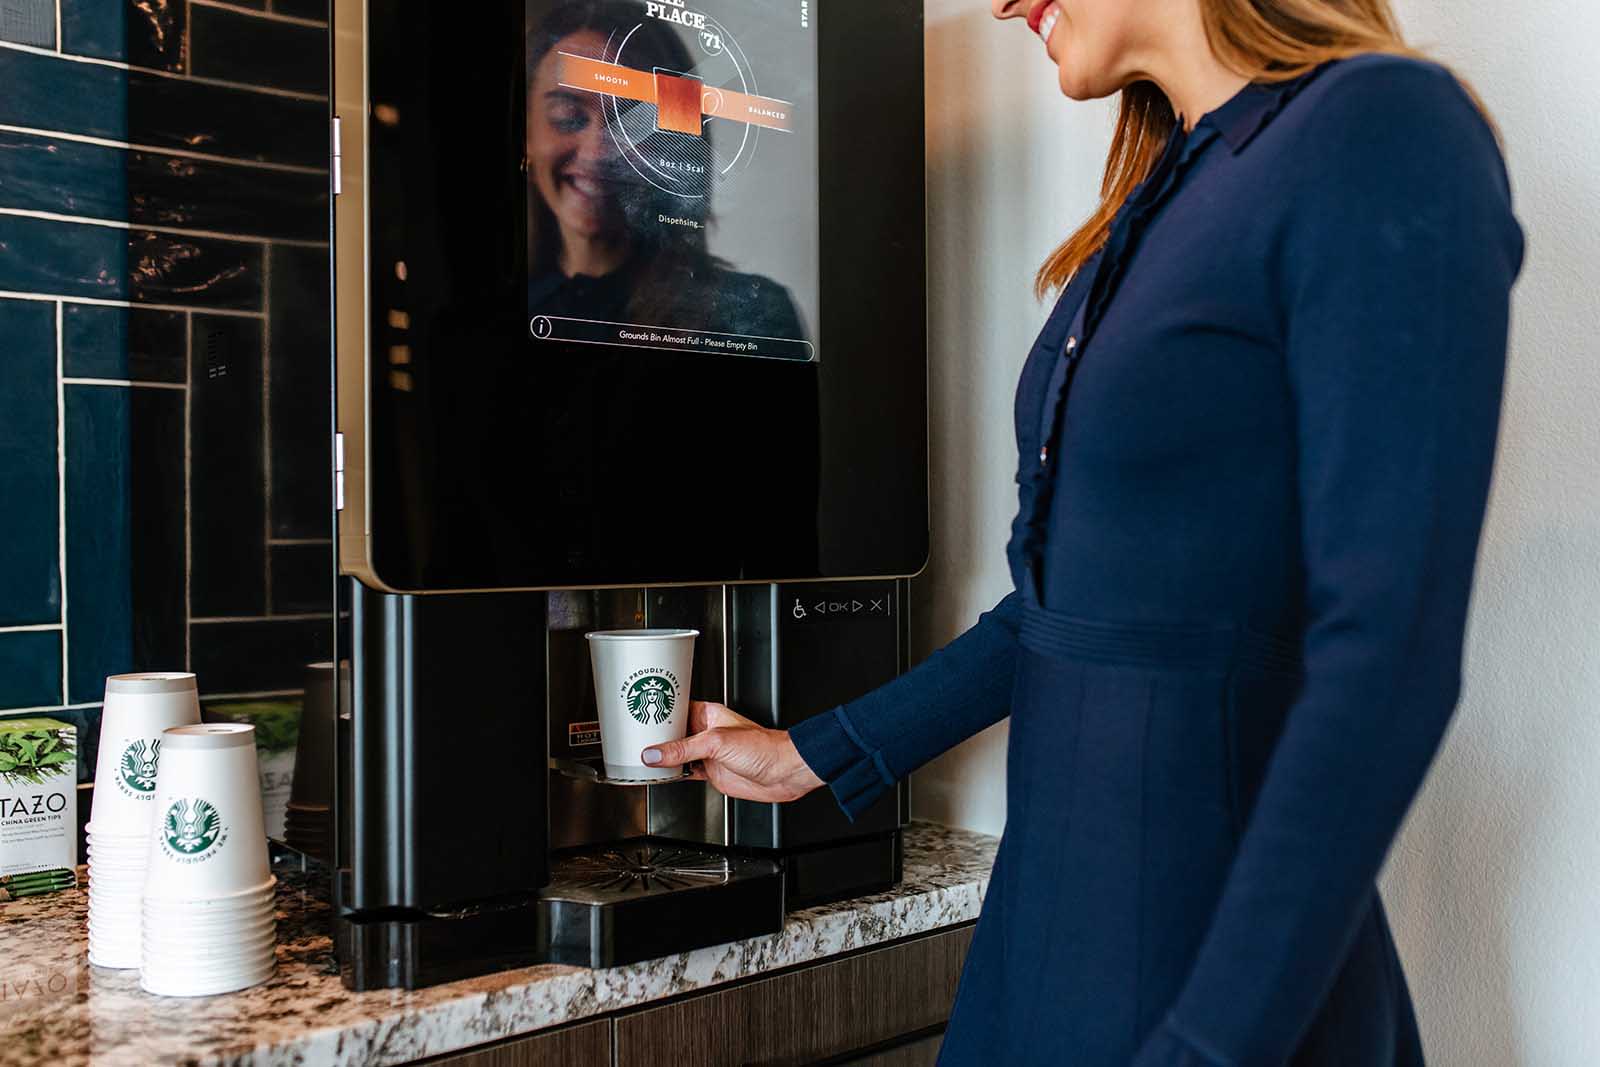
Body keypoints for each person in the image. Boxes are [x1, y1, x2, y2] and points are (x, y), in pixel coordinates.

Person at [639, 0, 1524, 1063]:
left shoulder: (1381, 130)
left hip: (1216, 979)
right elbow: (1067, 609)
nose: (1002, 3)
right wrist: (812, 754)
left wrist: (1209, 1046)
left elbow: (1387, 659)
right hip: (1041, 942)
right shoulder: (1162, 192)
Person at [525, 0, 805, 348]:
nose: (598, 152)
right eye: (568, 117)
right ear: (527, 136)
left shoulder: (755, 317)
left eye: (634, 122)